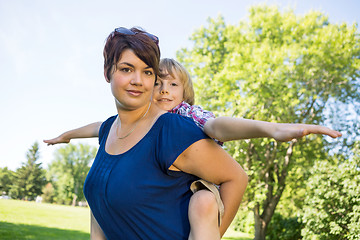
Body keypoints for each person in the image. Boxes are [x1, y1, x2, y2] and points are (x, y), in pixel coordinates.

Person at [44, 56, 342, 238]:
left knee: (203, 204)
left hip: (203, 185)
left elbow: (219, 126)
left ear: (185, 93)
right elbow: (98, 126)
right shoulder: (137, 122)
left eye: (172, 85)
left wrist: (270, 129)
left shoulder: (187, 117)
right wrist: (65, 136)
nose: (163, 90)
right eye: (157, 82)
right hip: (176, 191)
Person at [45, 27, 248, 240]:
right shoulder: (108, 130)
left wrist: (213, 233)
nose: (138, 80)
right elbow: (99, 212)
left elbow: (236, 178)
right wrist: (65, 136)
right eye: (126, 69)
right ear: (107, 72)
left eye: (148, 72)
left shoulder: (172, 129)